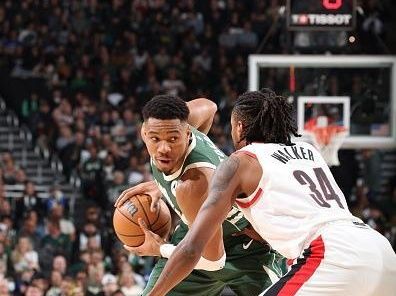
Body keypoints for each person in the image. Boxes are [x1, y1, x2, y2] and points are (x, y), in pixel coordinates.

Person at [143, 89, 396, 296]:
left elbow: (192, 249)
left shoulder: (240, 162)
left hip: (331, 252)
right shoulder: (310, 152)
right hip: (378, 248)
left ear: (240, 127)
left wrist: (161, 254)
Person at [115, 95, 286, 295]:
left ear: (187, 133)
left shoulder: (194, 184)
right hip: (197, 231)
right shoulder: (174, 127)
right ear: (144, 133)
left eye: (173, 138)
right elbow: (209, 106)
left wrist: (160, 249)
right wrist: (160, 185)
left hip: (247, 249)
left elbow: (214, 262)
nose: (164, 148)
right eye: (155, 138)